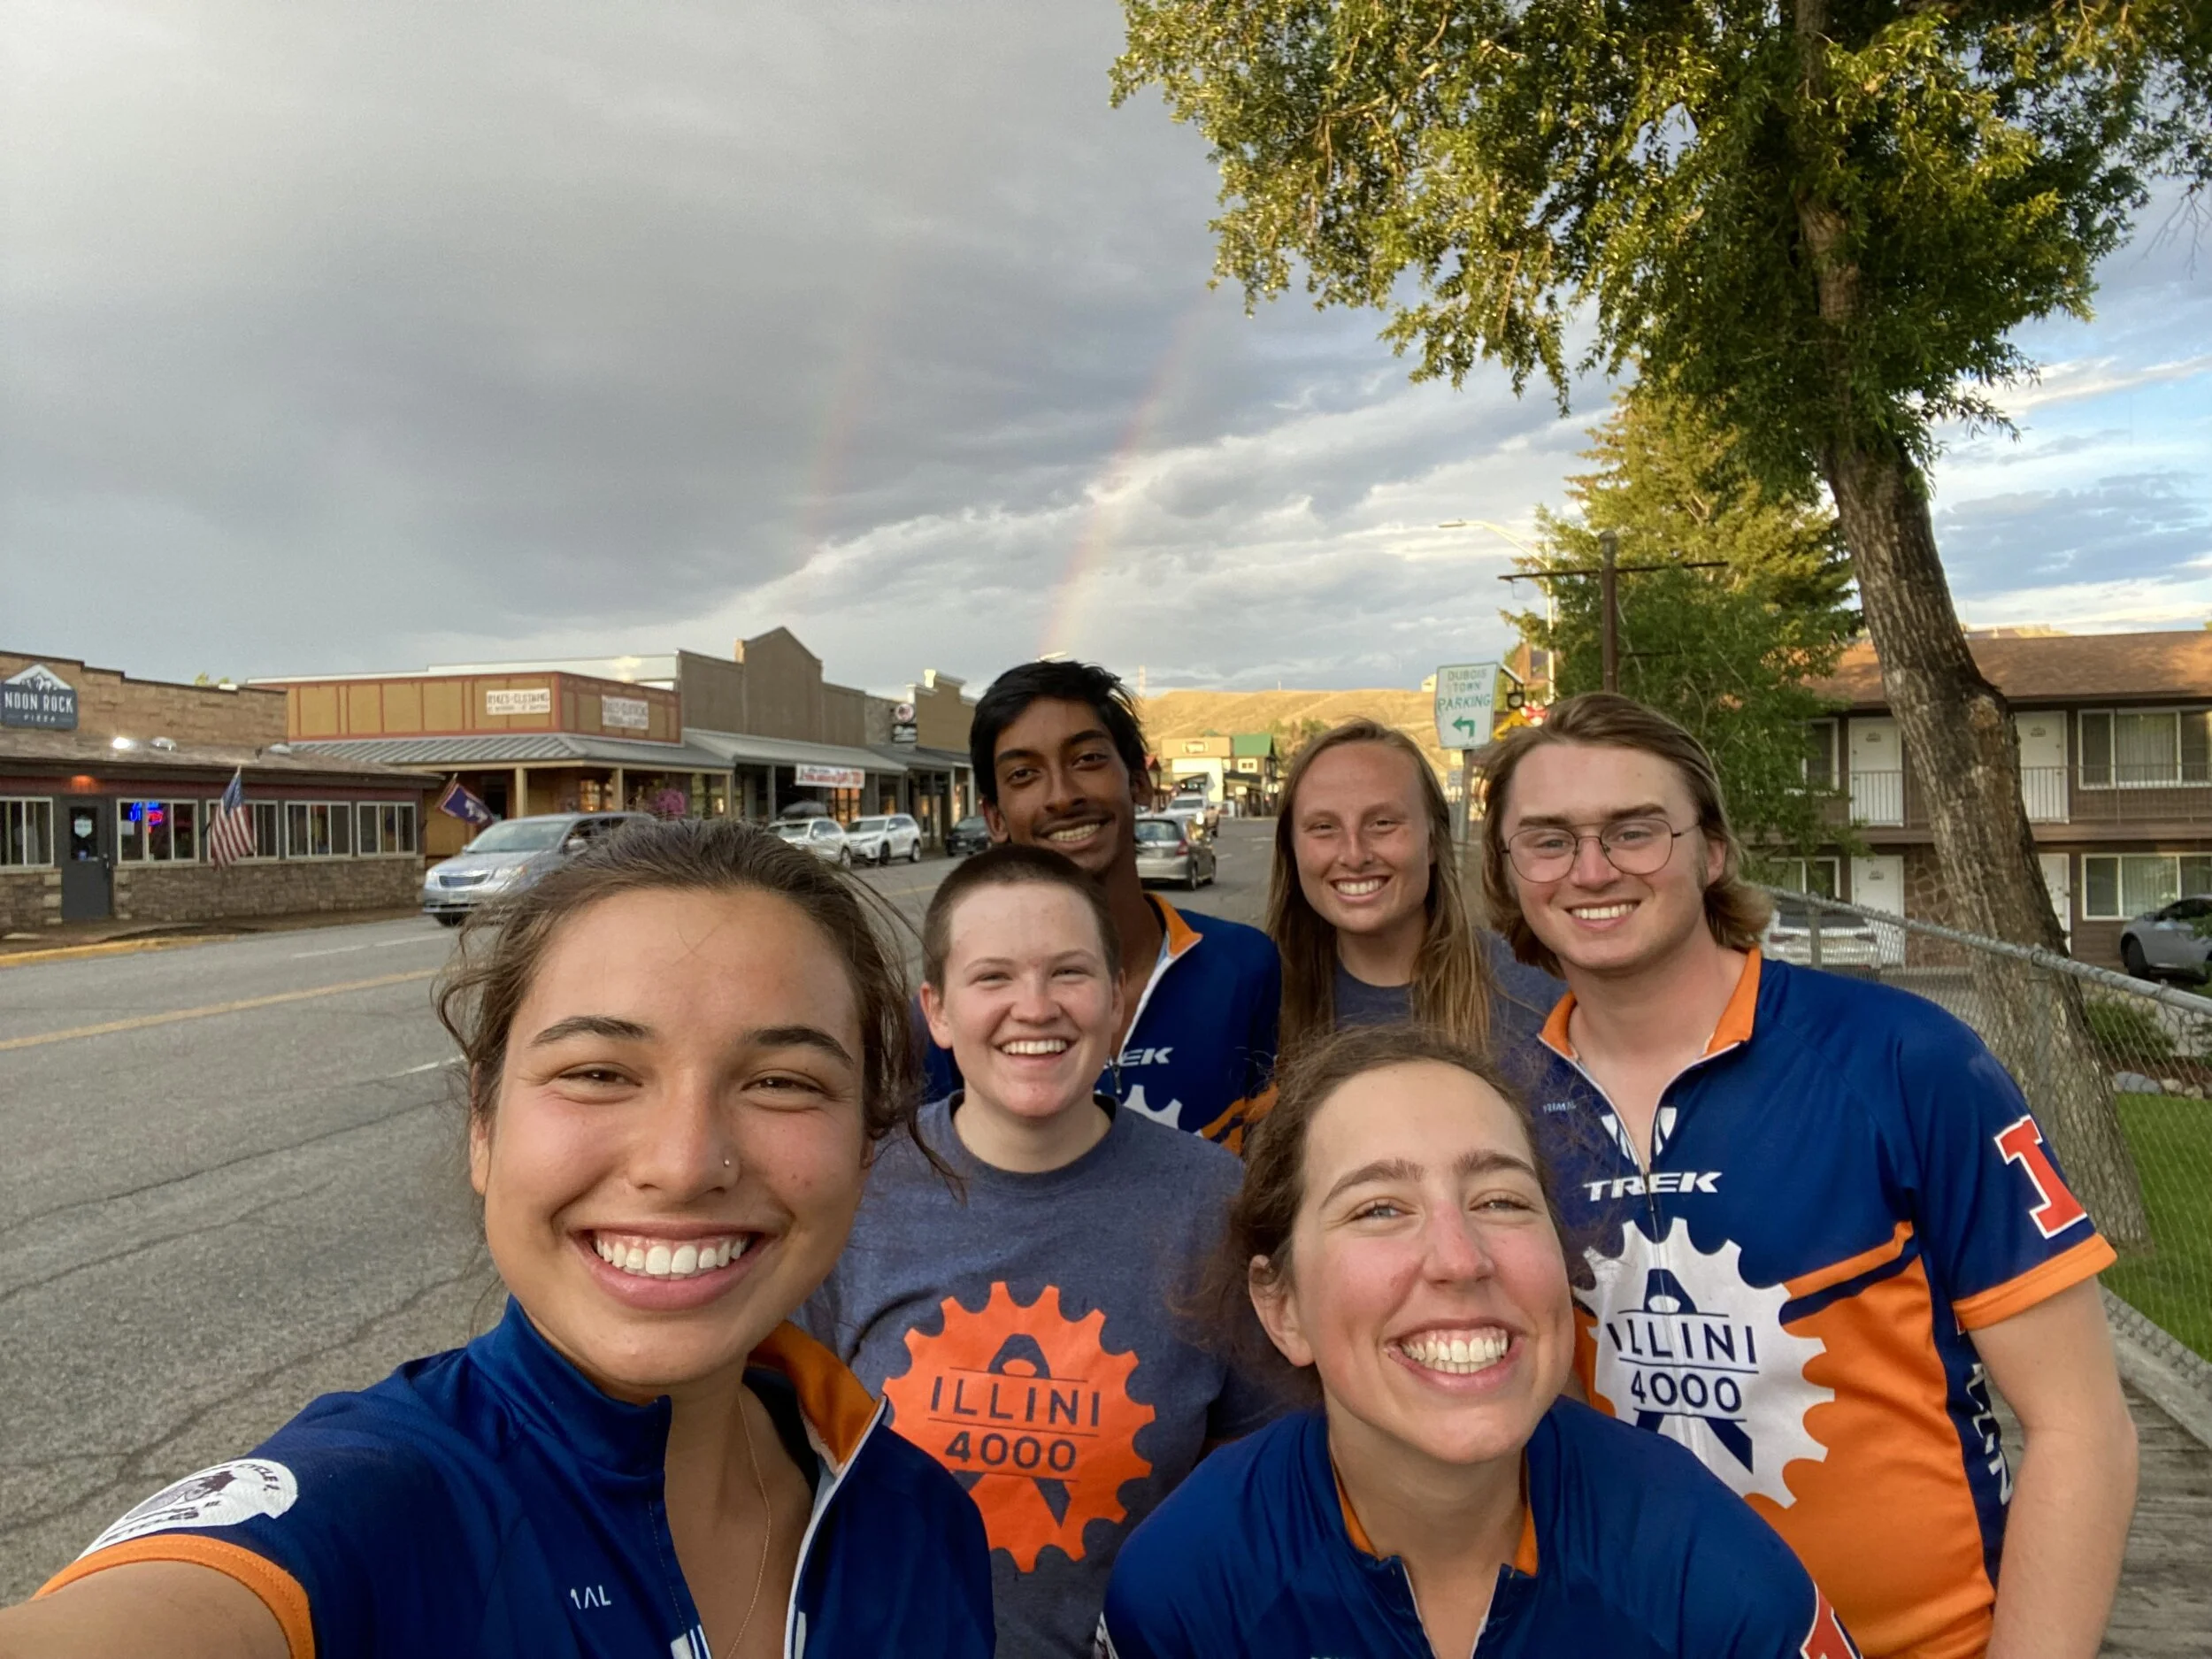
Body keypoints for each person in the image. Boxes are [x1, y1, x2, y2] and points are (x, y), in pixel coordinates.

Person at [0, 821, 994, 1659]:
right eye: (600, 1072)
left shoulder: (920, 1522)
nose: (686, 1163)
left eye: (782, 1081)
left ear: (868, 1145)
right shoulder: (377, 1513)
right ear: (483, 1125)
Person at [1481, 692, 2138, 1659]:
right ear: (1507, 872)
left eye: (1634, 830)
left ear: (1711, 851)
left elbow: (2081, 1425)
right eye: (1546, 839)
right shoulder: (1502, 1104)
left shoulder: (1903, 1060)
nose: (1591, 868)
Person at [1097, 1025, 1860, 1658]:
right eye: (1379, 1209)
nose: (1461, 1258)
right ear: (1283, 1304)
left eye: (1500, 1199)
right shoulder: (1185, 1588)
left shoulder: (1713, 1575)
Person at [807, 845, 1284, 1657]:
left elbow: (1259, 1465)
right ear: (939, 1010)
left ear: (1118, 1002)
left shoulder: (1214, 1204)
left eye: (1069, 973)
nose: (1035, 1007)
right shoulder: (851, 1190)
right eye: (993, 977)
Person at [933, 659, 1281, 1149]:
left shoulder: (1245, 968)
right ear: (994, 817)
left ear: (1139, 781)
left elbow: (1280, 1182)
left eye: (1088, 759)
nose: (1061, 796)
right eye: (1024, 774)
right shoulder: (957, 1012)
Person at [1268, 718, 1560, 1061]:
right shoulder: (1255, 1005)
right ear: (1292, 849)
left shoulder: (1536, 999)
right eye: (1323, 827)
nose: (1354, 854)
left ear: (1433, 840)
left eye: (1382, 823)